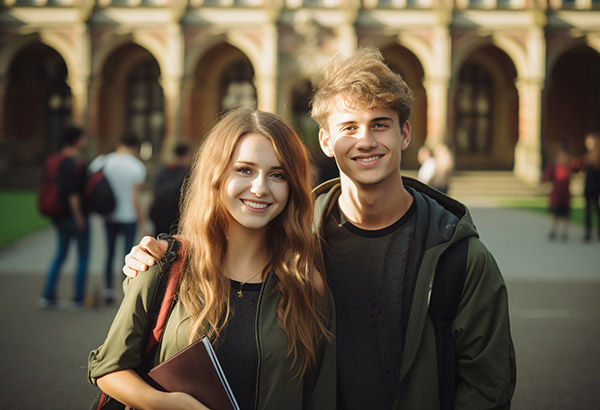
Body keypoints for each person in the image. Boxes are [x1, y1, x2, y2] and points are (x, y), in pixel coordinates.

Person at [123, 48, 516, 410]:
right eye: (349, 127)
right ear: (326, 141)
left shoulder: (459, 257)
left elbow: (487, 387)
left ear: (405, 135)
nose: (366, 140)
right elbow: (220, 247)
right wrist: (161, 254)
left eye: (380, 124)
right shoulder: (289, 238)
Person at [88, 108, 335, 410]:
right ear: (216, 174)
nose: (260, 188)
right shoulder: (164, 264)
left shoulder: (305, 281)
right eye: (244, 170)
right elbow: (109, 367)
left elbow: (319, 394)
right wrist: (168, 404)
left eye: (277, 174)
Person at [90, 133, 147, 304]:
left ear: (118, 143)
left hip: (109, 214)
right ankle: (126, 291)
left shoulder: (103, 161)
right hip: (128, 215)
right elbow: (135, 198)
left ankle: (108, 290)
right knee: (128, 255)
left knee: (109, 253)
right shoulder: (137, 166)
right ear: (135, 147)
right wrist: (142, 221)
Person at [39, 126, 90, 310]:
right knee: (83, 257)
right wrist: (79, 218)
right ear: (76, 140)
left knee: (60, 255)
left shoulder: (54, 160)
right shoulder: (75, 163)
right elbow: (73, 194)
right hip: (74, 216)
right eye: (83, 138)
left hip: (58, 215)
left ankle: (48, 295)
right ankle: (78, 298)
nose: (85, 141)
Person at [149, 142, 192, 236]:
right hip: (176, 218)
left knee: (159, 244)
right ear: (186, 154)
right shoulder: (188, 173)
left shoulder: (163, 170)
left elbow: (154, 193)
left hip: (159, 215)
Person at [541, 146, 574, 241]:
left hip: (565, 196)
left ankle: (564, 232)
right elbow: (546, 176)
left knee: (565, 216)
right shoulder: (555, 167)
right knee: (554, 214)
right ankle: (553, 231)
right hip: (556, 195)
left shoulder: (569, 167)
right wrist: (543, 183)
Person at [582, 133, 600, 242]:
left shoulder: (595, 156)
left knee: (595, 209)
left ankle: (591, 232)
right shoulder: (588, 155)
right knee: (590, 209)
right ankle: (588, 231)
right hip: (590, 184)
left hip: (594, 184)